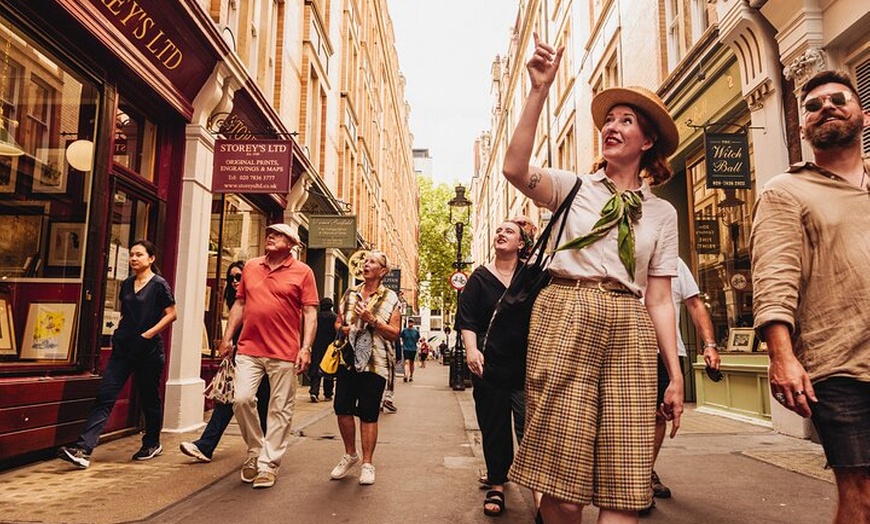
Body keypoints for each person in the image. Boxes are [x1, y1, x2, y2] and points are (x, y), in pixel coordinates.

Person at [503, 35, 684, 523]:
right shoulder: (573, 188)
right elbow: (514, 168)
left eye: (626, 121)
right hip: (566, 310)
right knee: (563, 488)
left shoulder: (662, 213)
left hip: (630, 324)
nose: (611, 126)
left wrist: (675, 376)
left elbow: (660, 299)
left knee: (625, 488)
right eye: (609, 119)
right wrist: (539, 90)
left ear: (647, 141)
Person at [750, 70, 870, 524]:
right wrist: (781, 356)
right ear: (802, 128)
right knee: (862, 492)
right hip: (839, 365)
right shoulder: (786, 191)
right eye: (814, 106)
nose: (827, 108)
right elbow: (774, 277)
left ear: (864, 114)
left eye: (838, 99)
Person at [58, 240, 177, 469]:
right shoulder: (127, 284)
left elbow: (172, 314)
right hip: (123, 348)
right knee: (105, 395)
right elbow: (126, 313)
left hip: (148, 350)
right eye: (131, 254)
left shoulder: (159, 285)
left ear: (151, 258)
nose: (134, 258)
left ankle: (152, 443)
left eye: (139, 254)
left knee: (149, 398)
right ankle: (83, 449)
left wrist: (148, 334)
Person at [219, 223, 318, 489]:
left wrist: (306, 347)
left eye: (278, 235)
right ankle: (255, 450)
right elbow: (240, 303)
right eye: (269, 233)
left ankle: (268, 464)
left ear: (292, 244)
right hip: (249, 347)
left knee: (280, 409)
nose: (271, 236)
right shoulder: (252, 266)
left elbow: (309, 312)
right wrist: (227, 338)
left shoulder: (303, 272)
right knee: (241, 399)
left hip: (284, 350)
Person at [457, 219, 531, 517]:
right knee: (494, 425)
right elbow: (467, 318)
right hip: (489, 364)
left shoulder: (531, 275)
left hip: (527, 364)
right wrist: (471, 350)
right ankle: (497, 484)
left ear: (521, 244)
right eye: (498, 230)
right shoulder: (480, 277)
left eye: (509, 231)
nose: (501, 233)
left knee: (530, 425)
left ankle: (540, 491)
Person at [643, 258, 720, 515]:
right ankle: (630, 475)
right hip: (627, 348)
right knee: (627, 417)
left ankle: (644, 475)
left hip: (666, 352)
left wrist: (710, 345)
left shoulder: (674, 263)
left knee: (658, 416)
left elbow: (695, 304)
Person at [179, 261, 270, 463]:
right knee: (227, 402)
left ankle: (266, 450)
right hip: (239, 361)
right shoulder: (235, 302)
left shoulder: (258, 299)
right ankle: (205, 446)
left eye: (239, 277)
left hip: (261, 359)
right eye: (231, 278)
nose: (235, 281)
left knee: (262, 404)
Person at [329, 250, 401, 486]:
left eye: (372, 262)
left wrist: (372, 320)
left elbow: (394, 333)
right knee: (342, 408)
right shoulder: (351, 293)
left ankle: (367, 464)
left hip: (375, 362)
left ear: (383, 271)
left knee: (369, 414)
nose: (366, 264)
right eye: (365, 261)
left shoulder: (391, 298)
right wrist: (344, 328)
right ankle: (350, 454)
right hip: (348, 360)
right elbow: (338, 322)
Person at [309, 297, 337, 403]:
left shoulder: (316, 316)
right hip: (329, 348)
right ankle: (328, 394)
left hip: (317, 346)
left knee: (315, 370)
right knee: (328, 371)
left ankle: (314, 391)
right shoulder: (334, 317)